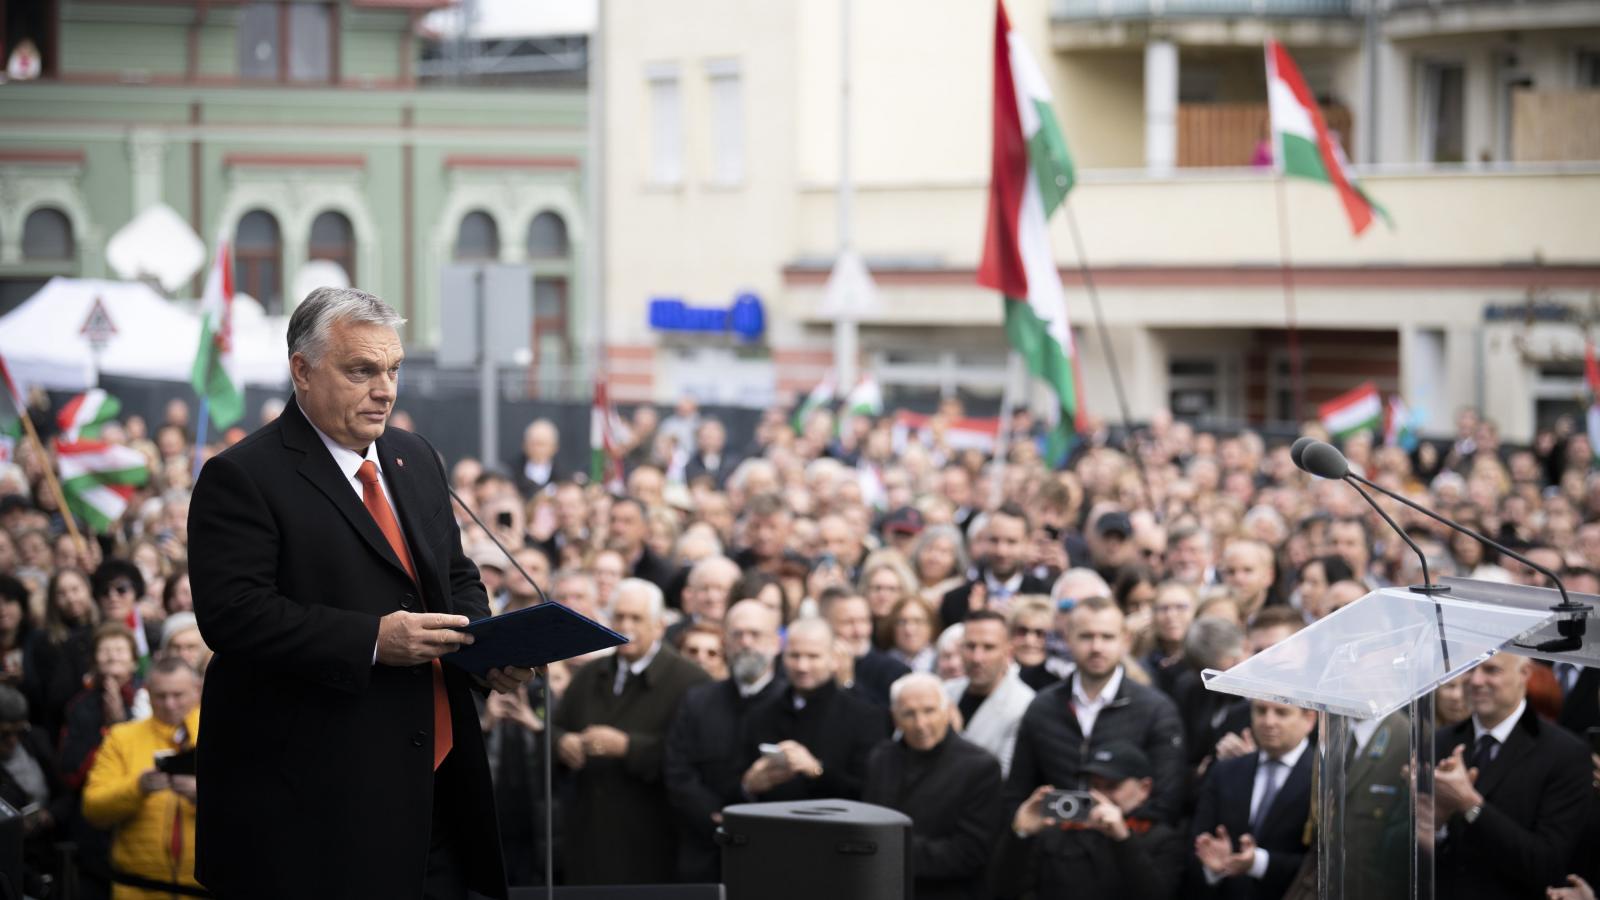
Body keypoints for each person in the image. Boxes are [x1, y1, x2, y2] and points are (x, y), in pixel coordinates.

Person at [188, 287, 528, 899]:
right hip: (317, 809)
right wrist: (371, 640)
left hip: (437, 789)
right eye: (361, 371)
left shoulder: (414, 456)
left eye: (393, 369)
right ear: (302, 370)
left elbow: (453, 575)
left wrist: (485, 649)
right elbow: (233, 616)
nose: (385, 389)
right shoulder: (241, 477)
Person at [554, 578, 709, 884]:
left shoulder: (691, 681)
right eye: (620, 617)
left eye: (637, 618)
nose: (626, 625)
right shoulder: (589, 674)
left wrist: (629, 748)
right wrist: (561, 743)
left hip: (654, 839)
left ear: (659, 626)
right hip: (588, 836)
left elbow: (696, 760)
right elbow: (553, 728)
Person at [1005, 596, 1187, 826]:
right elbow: (1017, 793)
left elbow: (1166, 802)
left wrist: (1122, 829)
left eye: (1107, 637)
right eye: (1086, 636)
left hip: (1126, 850)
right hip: (1054, 848)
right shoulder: (1042, 707)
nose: (1096, 647)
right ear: (1067, 639)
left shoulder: (1156, 710)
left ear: (1125, 641)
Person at [1432, 651, 1592, 900]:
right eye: (1471, 669)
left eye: (1491, 670)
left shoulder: (1565, 754)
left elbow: (1548, 864)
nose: (1476, 680)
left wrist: (1471, 805)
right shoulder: (1439, 742)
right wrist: (1433, 823)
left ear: (1524, 673)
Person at [664, 599, 787, 882]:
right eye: (737, 634)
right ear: (726, 642)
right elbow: (677, 770)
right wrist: (715, 815)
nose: (746, 643)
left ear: (776, 642)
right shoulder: (697, 701)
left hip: (773, 853)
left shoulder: (791, 703)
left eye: (755, 634)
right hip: (704, 851)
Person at [862, 673, 1003, 900]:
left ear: (947, 711)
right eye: (909, 714)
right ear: (895, 718)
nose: (920, 724)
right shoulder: (881, 758)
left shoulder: (980, 767)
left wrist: (891, 849)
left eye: (929, 711)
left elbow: (971, 852)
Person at [999, 741, 1186, 900]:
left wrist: (1123, 839)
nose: (1099, 796)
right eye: (1094, 786)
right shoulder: (1059, 832)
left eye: (1112, 786)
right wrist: (1020, 835)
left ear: (1144, 789)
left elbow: (1157, 894)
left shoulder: (1161, 840)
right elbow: (1003, 890)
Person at [81, 657, 204, 899]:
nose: (170, 704)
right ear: (147, 693)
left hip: (203, 889)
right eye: (160, 696)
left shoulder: (221, 735)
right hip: (138, 888)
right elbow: (93, 808)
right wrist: (137, 787)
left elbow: (255, 805)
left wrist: (205, 796)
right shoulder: (122, 738)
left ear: (197, 690)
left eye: (178, 695)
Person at [738, 617, 888, 802]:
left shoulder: (865, 717)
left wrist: (817, 770)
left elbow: (869, 792)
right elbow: (734, 783)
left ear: (834, 659)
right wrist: (749, 785)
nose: (802, 666)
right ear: (782, 657)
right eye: (794, 656)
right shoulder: (760, 714)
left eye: (813, 656)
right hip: (770, 827)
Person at [1190, 699, 1316, 900]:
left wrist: (1258, 863)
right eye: (1261, 711)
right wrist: (1214, 866)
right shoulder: (1227, 771)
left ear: (1309, 719)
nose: (1268, 721)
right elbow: (1198, 839)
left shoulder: (1324, 779)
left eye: (1282, 713)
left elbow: (1321, 864)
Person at [942, 609, 1034, 777]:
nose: (977, 658)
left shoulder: (1024, 705)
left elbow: (1001, 777)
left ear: (1008, 652)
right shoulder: (944, 692)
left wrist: (953, 737)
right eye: (970, 646)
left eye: (988, 647)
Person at [940, 504, 1049, 626]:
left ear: (1027, 543)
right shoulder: (955, 601)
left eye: (1011, 542)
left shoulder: (1045, 595)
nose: (1001, 551)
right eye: (994, 540)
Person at [820, 587, 909, 708]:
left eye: (863, 621)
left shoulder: (894, 671)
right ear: (827, 625)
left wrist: (848, 684)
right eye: (848, 622)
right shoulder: (809, 667)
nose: (858, 631)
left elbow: (880, 721)